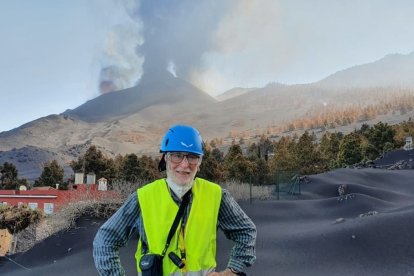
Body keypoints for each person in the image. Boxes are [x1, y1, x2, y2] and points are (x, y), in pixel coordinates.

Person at [93, 125, 256, 276]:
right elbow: (105, 240)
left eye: (193, 157)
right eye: (177, 155)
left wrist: (233, 270)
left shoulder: (217, 195)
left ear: (199, 162)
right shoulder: (143, 198)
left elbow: (246, 231)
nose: (185, 165)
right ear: (165, 158)